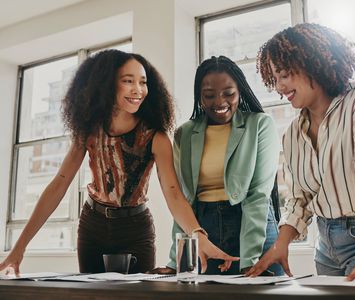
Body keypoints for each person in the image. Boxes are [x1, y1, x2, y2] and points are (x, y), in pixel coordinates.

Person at [0, 50, 238, 275]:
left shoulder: (156, 137)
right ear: (107, 83)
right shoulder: (89, 131)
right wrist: (19, 248)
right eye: (128, 81)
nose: (138, 89)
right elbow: (59, 184)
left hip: (136, 229)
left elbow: (174, 193)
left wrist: (198, 235)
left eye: (143, 82)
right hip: (93, 225)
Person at [246, 23, 355, 299]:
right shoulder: (292, 134)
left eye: (283, 75)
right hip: (326, 245)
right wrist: (280, 245)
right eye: (274, 79)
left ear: (312, 63)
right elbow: (299, 198)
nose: (279, 87)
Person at [154, 55, 284, 275]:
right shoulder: (184, 134)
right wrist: (176, 261)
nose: (219, 102)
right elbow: (185, 201)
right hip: (205, 233)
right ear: (200, 97)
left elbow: (257, 195)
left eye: (228, 93)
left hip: (254, 227)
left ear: (240, 91)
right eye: (209, 95)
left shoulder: (260, 125)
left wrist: (249, 260)